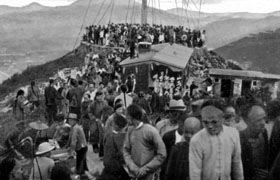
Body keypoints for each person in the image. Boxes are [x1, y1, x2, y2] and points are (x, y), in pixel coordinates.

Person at [189, 100, 243, 180]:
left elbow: (237, 163)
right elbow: (195, 173)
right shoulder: (196, 140)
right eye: (206, 122)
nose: (210, 126)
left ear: (222, 119)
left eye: (214, 122)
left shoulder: (233, 134)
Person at [123, 104, 166, 180]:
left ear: (130, 117)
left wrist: (145, 169)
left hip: (149, 175)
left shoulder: (151, 131)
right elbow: (126, 150)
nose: (126, 118)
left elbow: (162, 154)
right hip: (134, 174)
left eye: (126, 115)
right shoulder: (130, 130)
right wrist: (131, 165)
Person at [240, 105, 269, 180]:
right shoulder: (240, 139)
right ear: (248, 121)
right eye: (258, 120)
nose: (263, 123)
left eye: (264, 118)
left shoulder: (264, 133)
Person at [98, 114, 130, 180]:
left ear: (116, 125)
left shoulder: (111, 137)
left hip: (113, 167)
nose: (111, 124)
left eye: (113, 122)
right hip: (122, 166)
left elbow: (109, 154)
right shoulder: (127, 136)